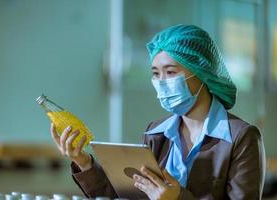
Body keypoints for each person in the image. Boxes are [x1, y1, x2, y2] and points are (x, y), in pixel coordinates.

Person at [50, 24, 265, 199]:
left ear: (202, 72)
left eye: (170, 72)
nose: (161, 82)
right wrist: (84, 161)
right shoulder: (155, 133)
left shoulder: (241, 138)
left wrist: (176, 198)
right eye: (155, 73)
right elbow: (124, 196)